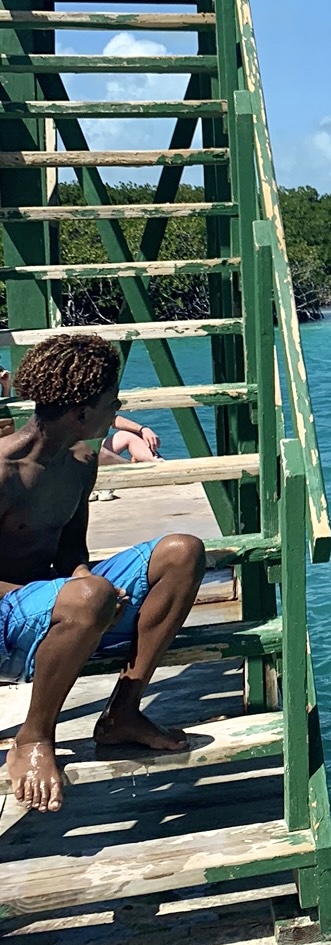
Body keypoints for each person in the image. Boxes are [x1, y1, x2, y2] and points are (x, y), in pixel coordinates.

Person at [0, 333, 206, 812]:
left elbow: (72, 549)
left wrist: (83, 579)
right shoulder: (4, 472)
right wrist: (77, 592)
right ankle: (33, 738)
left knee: (182, 552)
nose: (117, 411)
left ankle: (123, 713)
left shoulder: (81, 462)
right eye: (112, 402)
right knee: (88, 596)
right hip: (6, 618)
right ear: (80, 412)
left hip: (52, 602)